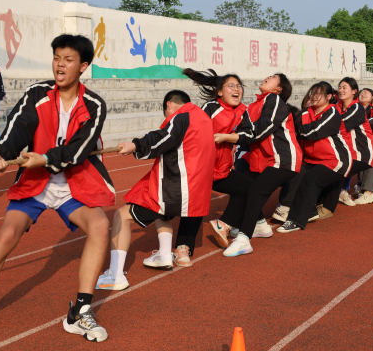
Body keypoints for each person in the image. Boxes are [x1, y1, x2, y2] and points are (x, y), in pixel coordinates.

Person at [0, 34, 114, 349]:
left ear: (84, 66)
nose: (60, 64)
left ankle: (80, 310)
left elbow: (78, 150)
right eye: (57, 57)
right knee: (7, 234)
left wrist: (46, 157)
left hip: (73, 182)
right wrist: (0, 154)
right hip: (35, 181)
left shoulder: (95, 105)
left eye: (69, 59)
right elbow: (15, 129)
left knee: (101, 225)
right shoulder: (37, 94)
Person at [96, 90, 215, 288]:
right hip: (195, 190)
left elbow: (162, 137)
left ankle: (115, 275)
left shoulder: (180, 118)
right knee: (162, 212)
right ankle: (165, 255)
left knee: (121, 216)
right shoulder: (203, 117)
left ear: (169, 105)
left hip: (176, 188)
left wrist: (135, 145)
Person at [170, 69, 266, 264]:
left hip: (221, 169)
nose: (236, 89)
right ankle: (182, 249)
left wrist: (226, 137)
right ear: (220, 92)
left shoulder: (242, 111)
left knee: (249, 187)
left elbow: (249, 135)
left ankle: (224, 223)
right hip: (200, 166)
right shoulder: (211, 107)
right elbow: (194, 129)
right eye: (231, 86)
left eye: (239, 86)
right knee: (197, 206)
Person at [213, 74, 301, 254]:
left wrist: (230, 136)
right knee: (245, 186)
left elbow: (261, 129)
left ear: (279, 89)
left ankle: (244, 238)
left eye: (274, 77)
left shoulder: (274, 99)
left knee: (255, 190)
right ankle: (260, 226)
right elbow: (243, 131)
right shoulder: (252, 106)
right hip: (262, 161)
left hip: (283, 160)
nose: (267, 77)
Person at [275, 81, 352, 233]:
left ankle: (296, 220)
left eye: (319, 93)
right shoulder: (305, 113)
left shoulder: (332, 113)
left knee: (311, 179)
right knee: (296, 172)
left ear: (329, 96)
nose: (314, 96)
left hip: (336, 160)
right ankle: (302, 210)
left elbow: (312, 132)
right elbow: (295, 129)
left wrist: (302, 130)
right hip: (311, 159)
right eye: (313, 93)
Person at [318, 78, 373, 212]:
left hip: (362, 154)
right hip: (346, 153)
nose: (341, 90)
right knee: (331, 171)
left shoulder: (357, 108)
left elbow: (337, 125)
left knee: (334, 172)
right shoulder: (337, 107)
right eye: (339, 87)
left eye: (345, 87)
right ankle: (322, 204)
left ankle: (327, 207)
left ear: (354, 91)